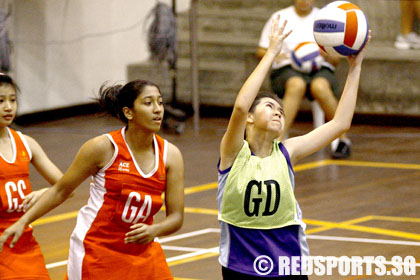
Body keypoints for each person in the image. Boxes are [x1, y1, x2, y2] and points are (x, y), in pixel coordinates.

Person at [218, 14, 369, 279]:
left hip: (288, 264)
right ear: (250, 118)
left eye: (281, 110)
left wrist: (355, 67)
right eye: (269, 106)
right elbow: (241, 105)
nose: (278, 113)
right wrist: (272, 52)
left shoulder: (288, 152)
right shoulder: (233, 153)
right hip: (240, 266)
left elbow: (341, 123)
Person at [0, 79, 185, 279]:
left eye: (160, 102)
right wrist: (23, 221)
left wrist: (155, 229)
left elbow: (176, 217)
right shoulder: (102, 148)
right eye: (148, 103)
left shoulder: (170, 155)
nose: (158, 109)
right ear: (128, 112)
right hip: (97, 248)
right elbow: (61, 189)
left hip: (142, 248)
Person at [256, 0, 352, 159]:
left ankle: (342, 140)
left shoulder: (325, 19)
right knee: (296, 85)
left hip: (320, 68)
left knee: (320, 86)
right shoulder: (280, 16)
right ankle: (278, 140)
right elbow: (260, 50)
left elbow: (336, 60)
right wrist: (275, 53)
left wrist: (327, 54)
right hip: (286, 69)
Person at [0, 73, 63, 279]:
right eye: (0, 101)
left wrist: (44, 193)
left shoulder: (26, 142)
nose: (8, 107)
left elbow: (65, 186)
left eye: (12, 100)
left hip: (23, 241)